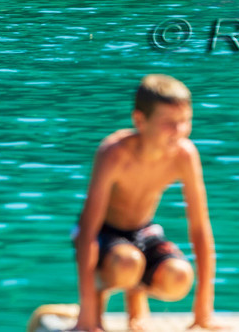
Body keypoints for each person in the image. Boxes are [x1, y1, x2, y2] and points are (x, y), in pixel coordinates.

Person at [69, 74, 218, 332]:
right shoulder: (114, 153)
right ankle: (99, 297)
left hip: (142, 231)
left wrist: (203, 312)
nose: (179, 131)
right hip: (104, 234)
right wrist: (87, 313)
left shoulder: (184, 155)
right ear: (140, 120)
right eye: (169, 123)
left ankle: (136, 293)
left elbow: (199, 228)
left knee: (179, 276)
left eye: (185, 121)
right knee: (128, 262)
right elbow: (88, 231)